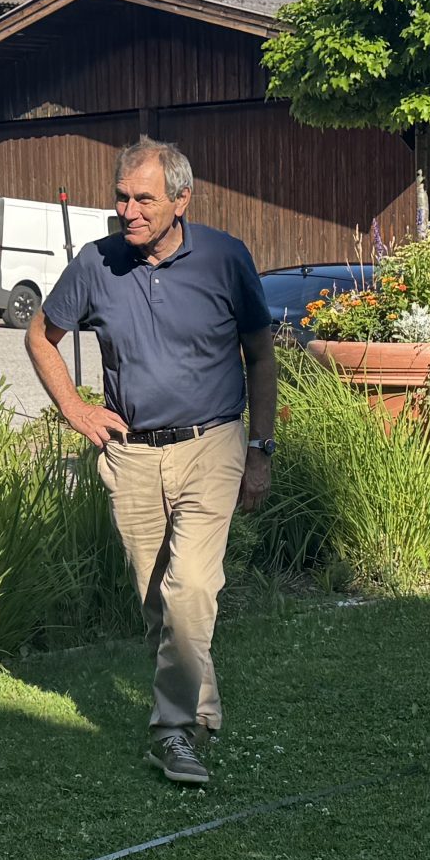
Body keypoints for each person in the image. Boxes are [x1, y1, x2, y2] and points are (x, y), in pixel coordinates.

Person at [26, 139, 277, 786]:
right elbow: (41, 336)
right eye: (121, 198)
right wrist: (75, 409)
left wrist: (261, 449)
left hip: (212, 444)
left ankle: (172, 733)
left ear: (181, 200)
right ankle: (203, 708)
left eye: (144, 199)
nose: (128, 211)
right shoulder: (96, 263)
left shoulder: (225, 258)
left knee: (190, 586)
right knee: (160, 602)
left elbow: (261, 355)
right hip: (132, 454)